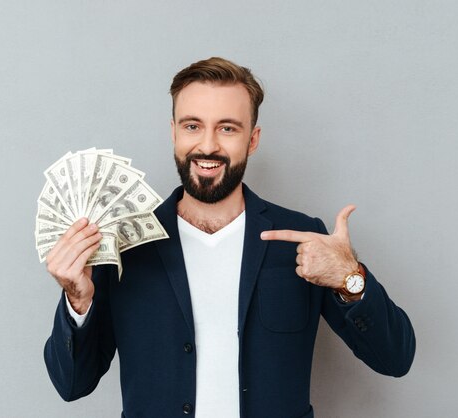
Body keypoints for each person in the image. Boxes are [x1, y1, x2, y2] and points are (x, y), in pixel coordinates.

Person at [44, 57, 415, 418]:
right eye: (193, 126)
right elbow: (72, 384)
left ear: (252, 140)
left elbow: (395, 359)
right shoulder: (122, 244)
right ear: (173, 132)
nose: (208, 146)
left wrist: (350, 279)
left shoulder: (304, 240)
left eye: (227, 128)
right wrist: (78, 301)